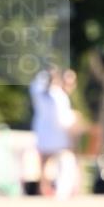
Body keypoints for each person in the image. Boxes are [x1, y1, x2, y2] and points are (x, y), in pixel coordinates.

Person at [29, 66, 76, 197]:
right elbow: (63, 119)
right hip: (57, 135)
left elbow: (35, 85)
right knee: (62, 161)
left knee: (44, 163)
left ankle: (43, 188)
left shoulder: (40, 93)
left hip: (43, 133)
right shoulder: (58, 95)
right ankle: (59, 189)